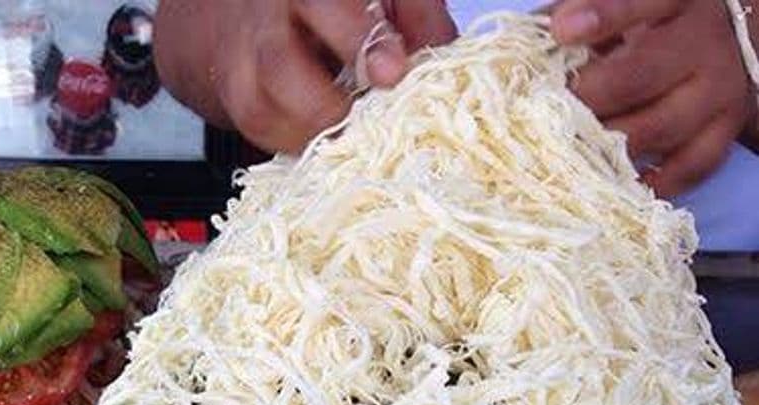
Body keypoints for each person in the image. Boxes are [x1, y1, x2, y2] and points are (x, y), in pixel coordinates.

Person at [154, 0, 759, 249]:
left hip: (700, 289)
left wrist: (747, 39)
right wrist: (236, 33)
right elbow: (178, 36)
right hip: (344, 284)